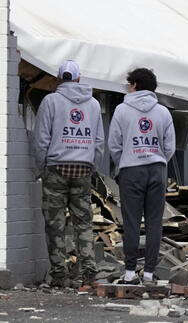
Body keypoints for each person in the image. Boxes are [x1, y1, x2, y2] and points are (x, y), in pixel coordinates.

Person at [32, 60, 105, 287]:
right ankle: (88, 274)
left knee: (55, 224)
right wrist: (92, 165)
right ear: (79, 78)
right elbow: (99, 141)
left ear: (58, 79)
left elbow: (41, 138)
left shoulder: (51, 101)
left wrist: (41, 165)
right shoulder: (93, 104)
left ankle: (59, 276)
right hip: (82, 168)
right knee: (83, 222)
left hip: (56, 168)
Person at [108, 68, 175, 285]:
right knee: (155, 222)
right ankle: (148, 274)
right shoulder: (163, 112)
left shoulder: (121, 110)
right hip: (157, 170)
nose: (127, 87)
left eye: (129, 83)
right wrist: (156, 158)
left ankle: (129, 273)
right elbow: (169, 146)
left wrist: (126, 160)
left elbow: (114, 144)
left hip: (131, 170)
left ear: (135, 84)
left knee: (131, 222)